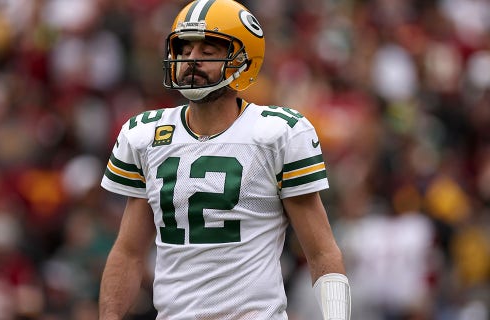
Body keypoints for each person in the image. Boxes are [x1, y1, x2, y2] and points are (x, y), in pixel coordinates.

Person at [99, 0, 351, 319]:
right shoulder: (145, 135)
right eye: (185, 50)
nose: (192, 61)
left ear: (244, 62)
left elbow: (321, 252)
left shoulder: (277, 133)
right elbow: (129, 252)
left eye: (207, 52)